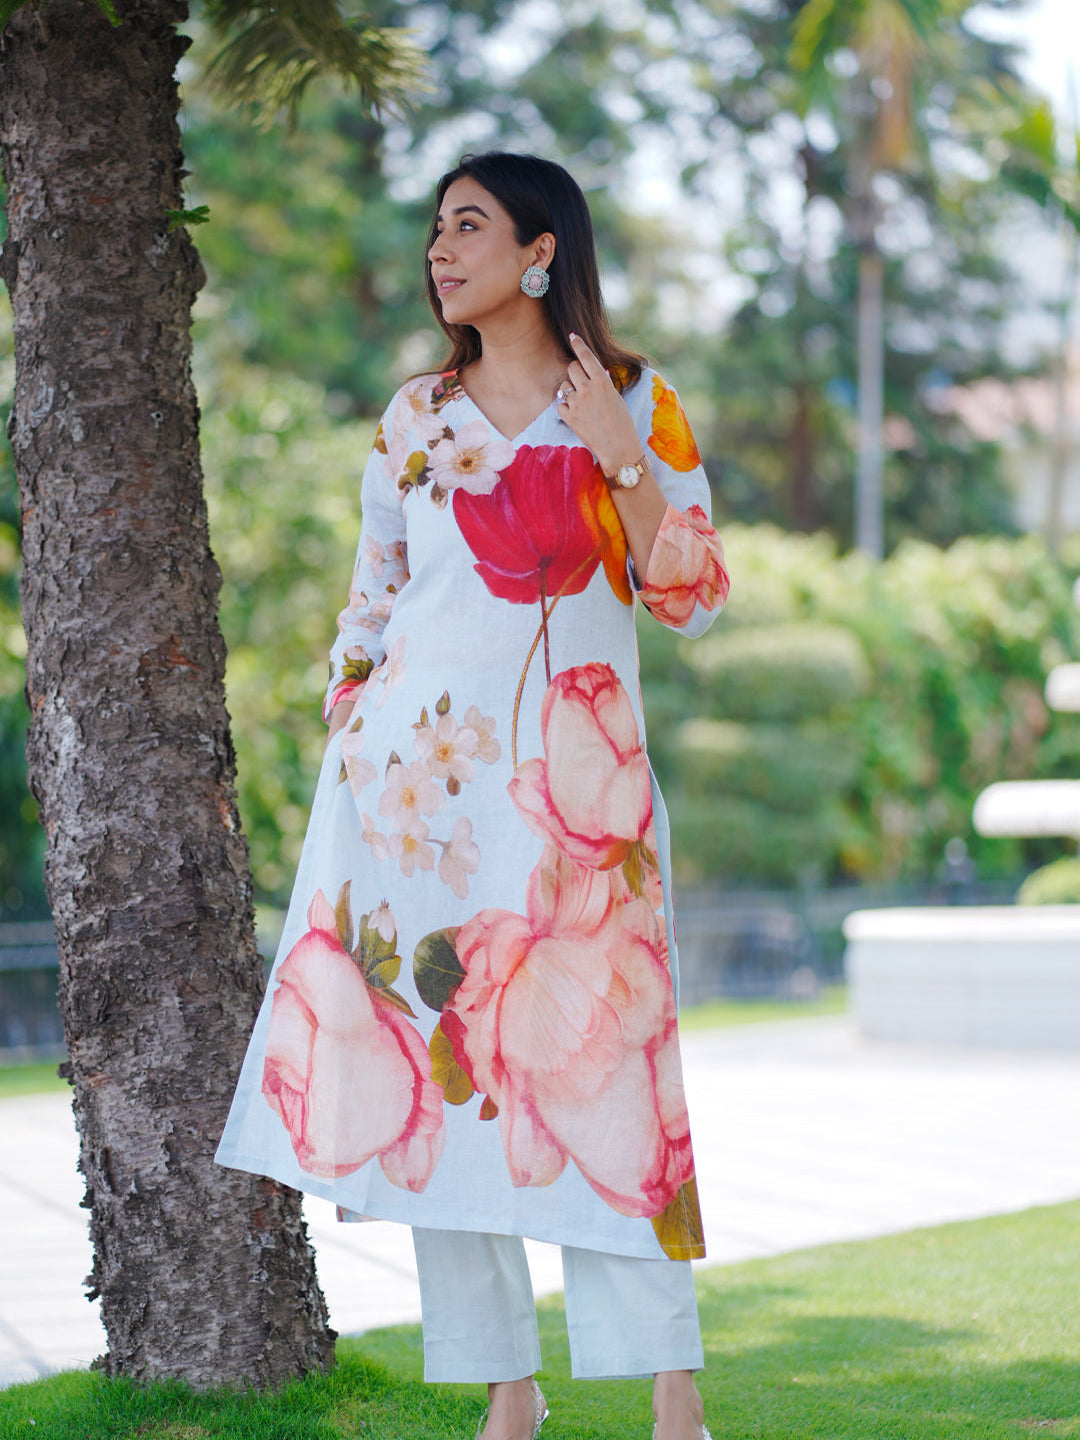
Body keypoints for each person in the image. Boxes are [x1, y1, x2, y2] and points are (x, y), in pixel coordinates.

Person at [216, 150, 729, 1440]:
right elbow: (374, 595)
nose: (440, 251)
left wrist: (622, 461)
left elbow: (694, 599)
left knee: (616, 1081)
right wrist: (351, 716)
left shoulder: (638, 399)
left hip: (579, 798)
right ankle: (507, 1389)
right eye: (435, 230)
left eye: (468, 225)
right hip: (416, 803)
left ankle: (672, 1391)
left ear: (541, 250)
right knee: (447, 1084)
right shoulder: (415, 416)